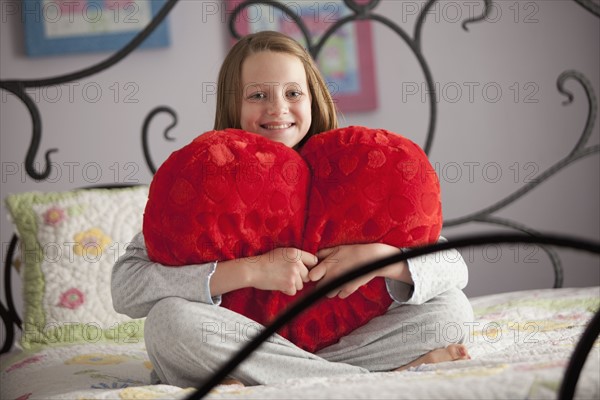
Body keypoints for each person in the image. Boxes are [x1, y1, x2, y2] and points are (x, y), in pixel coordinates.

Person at [111, 31, 473, 388]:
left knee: (452, 310)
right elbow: (126, 286)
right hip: (244, 340)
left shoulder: (354, 175)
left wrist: (379, 258)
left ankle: (271, 379)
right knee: (168, 323)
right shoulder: (209, 181)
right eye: (258, 95)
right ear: (232, 104)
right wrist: (250, 270)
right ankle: (374, 381)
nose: (277, 108)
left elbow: (453, 267)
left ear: (312, 99)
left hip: (336, 345)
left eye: (293, 93)